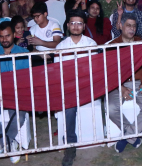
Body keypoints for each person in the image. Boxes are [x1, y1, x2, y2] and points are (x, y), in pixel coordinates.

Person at [55, 10, 98, 166]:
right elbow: (58, 73)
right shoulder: (61, 46)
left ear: (84, 26)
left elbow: (95, 70)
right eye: (72, 23)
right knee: (69, 105)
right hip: (69, 87)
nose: (75, 26)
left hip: (87, 85)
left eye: (79, 23)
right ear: (67, 25)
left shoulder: (91, 44)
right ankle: (70, 145)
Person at [0, 22, 30, 158]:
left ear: (14, 35)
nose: (4, 39)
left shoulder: (24, 53)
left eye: (7, 36)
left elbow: (27, 79)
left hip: (18, 95)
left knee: (20, 116)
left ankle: (5, 143)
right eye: (1, 36)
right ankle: (8, 143)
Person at [106, 14, 142, 153]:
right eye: (128, 25)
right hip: (117, 84)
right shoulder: (112, 46)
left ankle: (127, 136)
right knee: (111, 108)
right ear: (120, 26)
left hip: (138, 83)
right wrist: (121, 88)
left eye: (134, 26)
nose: (132, 29)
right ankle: (132, 136)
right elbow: (109, 72)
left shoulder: (141, 43)